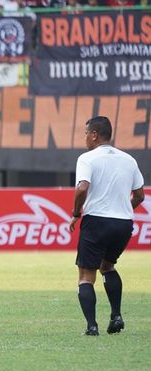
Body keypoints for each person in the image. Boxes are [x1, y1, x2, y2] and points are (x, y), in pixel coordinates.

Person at [69, 116, 145, 336]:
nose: (84, 138)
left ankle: (92, 326)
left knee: (86, 275)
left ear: (94, 135)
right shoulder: (128, 159)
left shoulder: (87, 158)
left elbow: (82, 188)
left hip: (97, 221)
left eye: (86, 133)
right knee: (108, 266)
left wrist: (76, 213)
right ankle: (116, 316)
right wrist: (123, 208)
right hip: (123, 223)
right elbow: (139, 195)